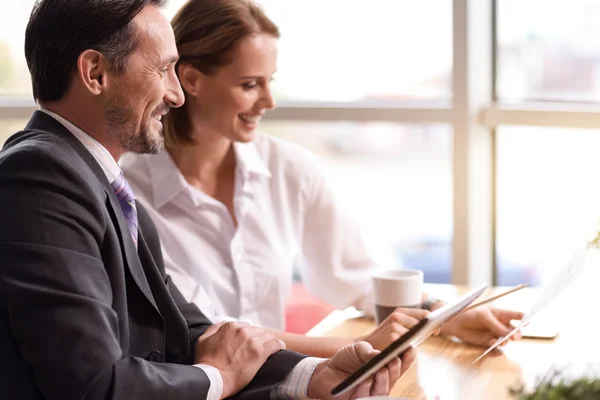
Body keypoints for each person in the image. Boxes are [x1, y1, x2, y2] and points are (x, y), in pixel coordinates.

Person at [0, 0, 413, 399]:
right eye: (163, 70)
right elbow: (94, 384)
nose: (176, 95)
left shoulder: (101, 182)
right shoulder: (40, 175)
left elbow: (186, 330)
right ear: (95, 73)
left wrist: (312, 375)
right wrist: (215, 376)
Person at [121, 0, 524, 358]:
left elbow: (356, 275)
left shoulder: (288, 167)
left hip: (282, 382)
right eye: (249, 85)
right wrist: (357, 350)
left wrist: (444, 316)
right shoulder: (132, 193)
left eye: (270, 81)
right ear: (190, 80)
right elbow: (207, 332)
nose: (269, 101)